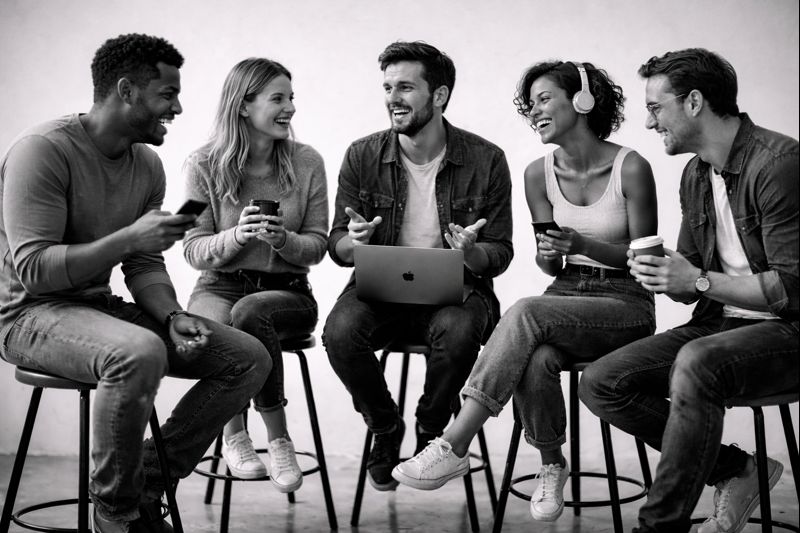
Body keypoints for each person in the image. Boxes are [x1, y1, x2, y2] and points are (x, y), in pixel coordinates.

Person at [0, 34, 271, 533]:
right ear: (126, 91)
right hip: (29, 316)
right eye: (168, 94)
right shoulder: (42, 152)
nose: (178, 107)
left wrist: (172, 315)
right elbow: (35, 269)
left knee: (247, 357)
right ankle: (116, 515)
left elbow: (143, 265)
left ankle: (143, 485)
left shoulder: (146, 165)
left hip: (97, 307)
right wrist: (127, 238)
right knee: (139, 352)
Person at [393, 60, 659, 522]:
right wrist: (549, 254)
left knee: (525, 312)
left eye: (544, 99)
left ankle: (453, 443)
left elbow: (647, 261)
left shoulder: (631, 167)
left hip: (626, 300)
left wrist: (584, 245)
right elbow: (547, 263)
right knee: (535, 358)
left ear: (582, 100)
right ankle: (552, 465)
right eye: (530, 104)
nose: (534, 111)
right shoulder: (538, 173)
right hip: (566, 291)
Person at [578, 48, 799, 533]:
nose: (649, 122)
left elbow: (792, 287)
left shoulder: (780, 164)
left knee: (697, 361)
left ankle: (657, 527)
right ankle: (737, 471)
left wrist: (697, 280)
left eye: (656, 107)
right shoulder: (696, 174)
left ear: (694, 102)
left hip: (789, 333)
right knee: (601, 381)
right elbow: (689, 282)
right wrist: (664, 274)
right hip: (721, 323)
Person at [322, 41, 514, 491]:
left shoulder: (486, 159)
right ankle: (385, 427)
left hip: (456, 292)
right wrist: (353, 242)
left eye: (405, 87)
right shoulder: (362, 155)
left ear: (439, 95)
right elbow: (337, 244)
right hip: (381, 291)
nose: (393, 97)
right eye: (388, 87)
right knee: (340, 332)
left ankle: (432, 433)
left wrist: (470, 252)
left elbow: (500, 252)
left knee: (460, 330)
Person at [183, 57, 328, 492]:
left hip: (286, 293)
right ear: (243, 106)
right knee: (215, 329)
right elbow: (192, 248)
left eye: (291, 98)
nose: (290, 108)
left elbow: (319, 244)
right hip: (219, 285)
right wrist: (235, 236)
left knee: (250, 312)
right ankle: (235, 437)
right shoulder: (202, 164)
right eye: (278, 99)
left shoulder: (307, 162)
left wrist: (284, 240)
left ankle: (278, 440)